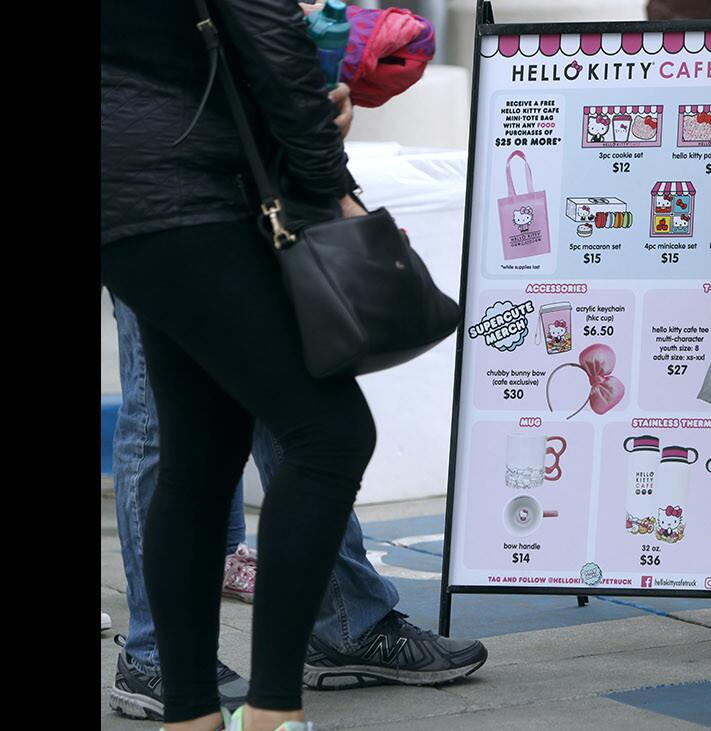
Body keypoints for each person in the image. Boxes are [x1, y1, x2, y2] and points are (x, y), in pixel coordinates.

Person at [100, 2, 468, 729]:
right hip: (188, 185)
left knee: (201, 456)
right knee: (329, 434)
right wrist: (334, 184)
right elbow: (266, 32)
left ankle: (193, 716)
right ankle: (273, 713)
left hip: (137, 188)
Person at [108, 295, 486, 722]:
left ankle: (343, 627)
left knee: (296, 415)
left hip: (243, 233)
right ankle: (161, 659)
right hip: (156, 234)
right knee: (163, 416)